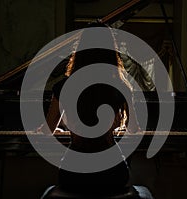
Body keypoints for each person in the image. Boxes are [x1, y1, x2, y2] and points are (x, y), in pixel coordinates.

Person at [41, 24, 139, 194]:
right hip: (113, 172)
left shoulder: (63, 86)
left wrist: (62, 128)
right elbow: (134, 129)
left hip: (73, 172)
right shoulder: (121, 86)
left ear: (80, 51)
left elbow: (47, 130)